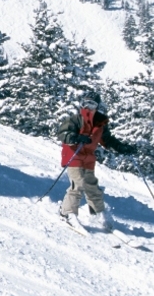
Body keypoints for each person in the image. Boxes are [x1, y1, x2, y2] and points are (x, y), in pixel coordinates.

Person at [56, 92, 136, 230]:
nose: (88, 107)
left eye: (92, 104)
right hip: (73, 155)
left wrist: (121, 147)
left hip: (88, 158)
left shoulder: (100, 124)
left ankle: (98, 212)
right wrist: (76, 137)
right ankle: (67, 213)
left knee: (92, 186)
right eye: (85, 103)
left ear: (97, 106)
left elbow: (108, 140)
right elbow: (63, 133)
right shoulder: (76, 119)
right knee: (78, 184)